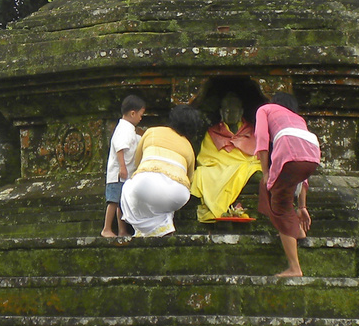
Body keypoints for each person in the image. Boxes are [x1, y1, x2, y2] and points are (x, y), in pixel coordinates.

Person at [254, 94, 321, 277]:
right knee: (276, 190)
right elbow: (301, 176)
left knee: (279, 207)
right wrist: (302, 206)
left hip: (288, 149)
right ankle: (297, 230)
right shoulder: (297, 119)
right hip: (313, 154)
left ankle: (294, 267)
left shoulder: (265, 109)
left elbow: (261, 138)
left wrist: (266, 171)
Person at [120, 105, 207, 238]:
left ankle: (143, 231)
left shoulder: (153, 131)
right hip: (180, 194)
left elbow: (137, 162)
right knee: (162, 205)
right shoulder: (189, 147)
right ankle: (165, 230)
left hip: (146, 183)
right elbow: (189, 178)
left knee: (129, 188)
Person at [192, 92, 260, 223]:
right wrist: (223, 166)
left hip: (246, 167)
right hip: (219, 167)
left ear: (241, 112)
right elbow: (206, 158)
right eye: (227, 111)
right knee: (201, 173)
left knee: (256, 172)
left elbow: (256, 156)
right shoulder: (212, 133)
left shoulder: (251, 131)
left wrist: (242, 165)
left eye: (234, 111)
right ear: (221, 112)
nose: (231, 114)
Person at [103, 94, 146, 238]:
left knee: (122, 202)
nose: (141, 118)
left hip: (124, 174)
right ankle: (106, 228)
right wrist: (122, 167)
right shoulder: (124, 129)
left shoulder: (128, 129)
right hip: (118, 174)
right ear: (133, 113)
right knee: (113, 202)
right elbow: (120, 147)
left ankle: (122, 230)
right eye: (140, 115)